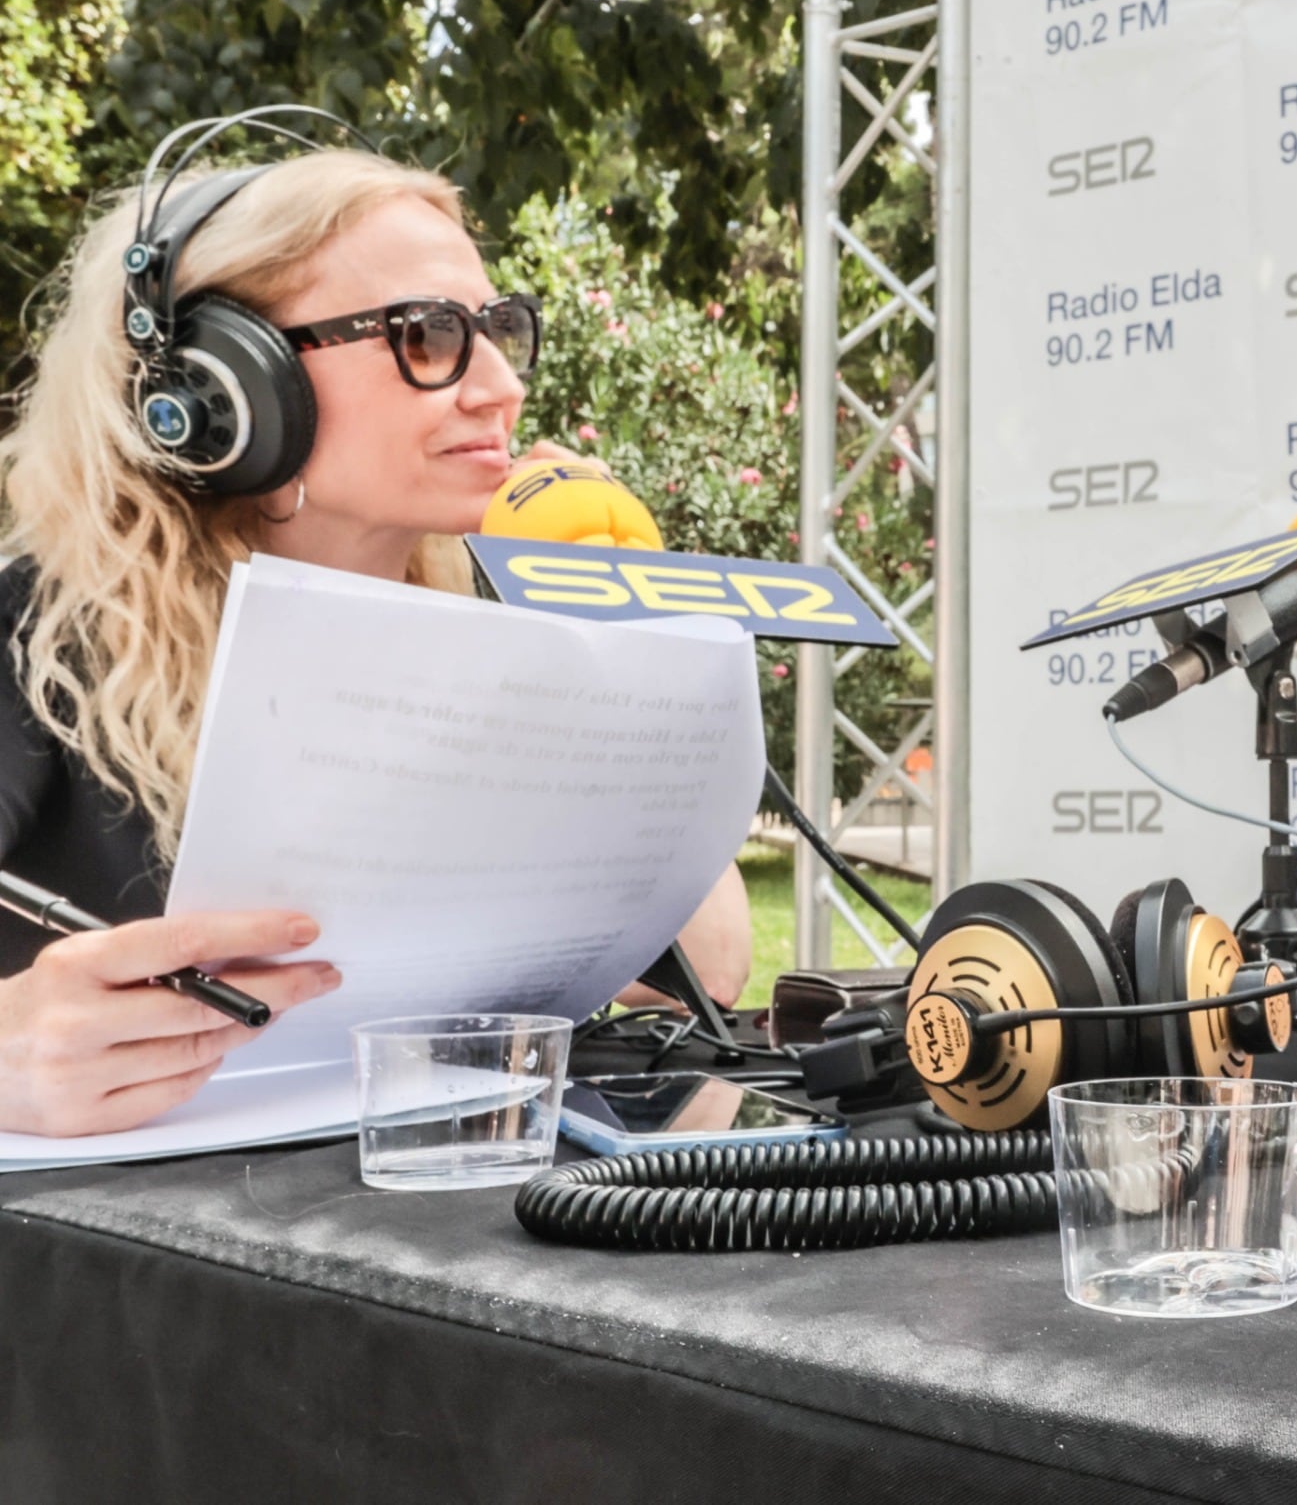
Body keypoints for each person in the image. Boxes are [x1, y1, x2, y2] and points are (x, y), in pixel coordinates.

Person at [0, 149, 751, 1137]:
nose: (499, 387)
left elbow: (704, 967)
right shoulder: (38, 626)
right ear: (233, 380)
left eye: (500, 330)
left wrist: (607, 638)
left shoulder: (489, 632)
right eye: (430, 334)